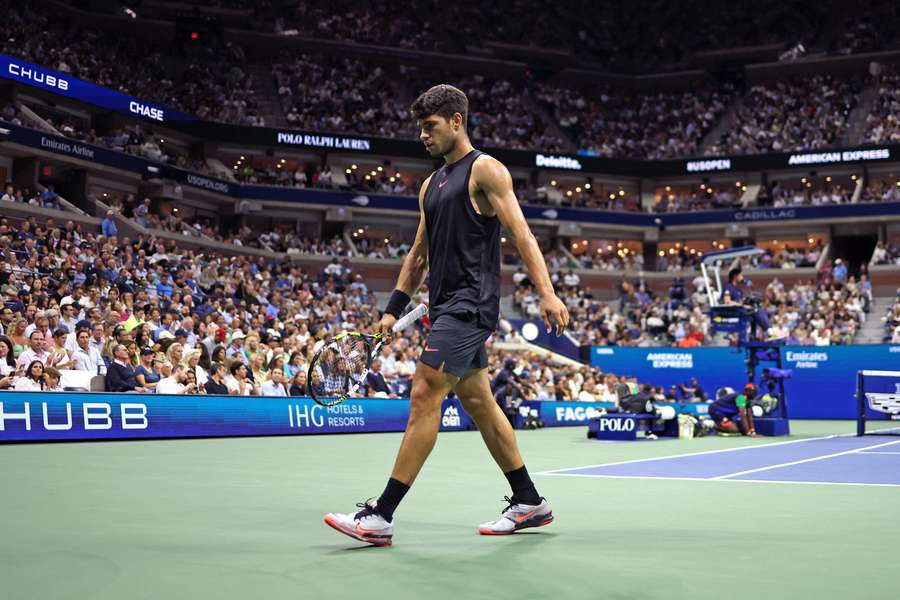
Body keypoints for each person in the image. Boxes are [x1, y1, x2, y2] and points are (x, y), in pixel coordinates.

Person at [325, 85, 570, 546]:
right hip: (443, 307)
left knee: (423, 392)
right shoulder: (430, 184)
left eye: (431, 126)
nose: (423, 135)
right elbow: (418, 254)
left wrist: (547, 293)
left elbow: (522, 235)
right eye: (420, 127)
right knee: (478, 402)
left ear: (456, 121)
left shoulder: (486, 170)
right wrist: (391, 309)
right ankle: (530, 502)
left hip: (470, 305)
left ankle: (382, 515)